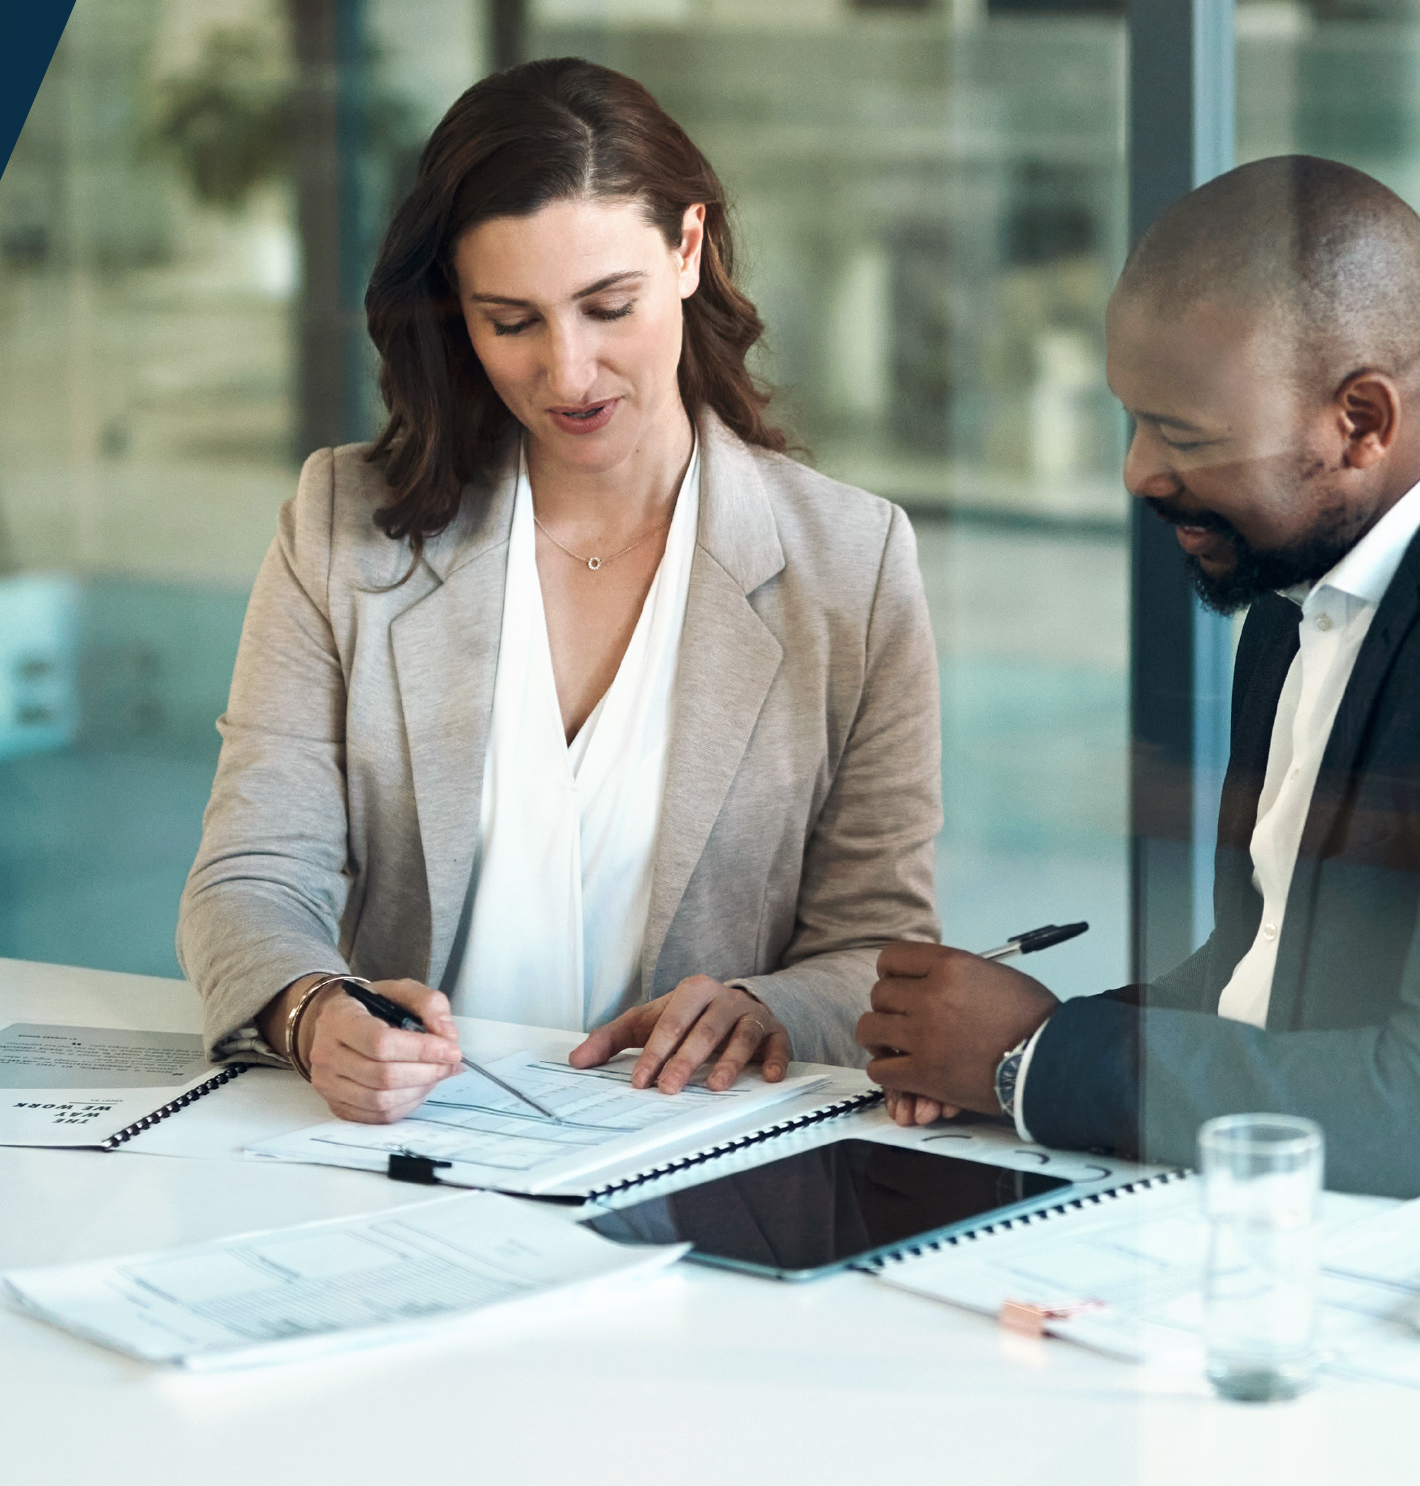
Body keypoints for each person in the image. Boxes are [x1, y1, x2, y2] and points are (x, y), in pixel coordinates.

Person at [861, 156, 1420, 1199]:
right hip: (1364, 1215)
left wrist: (1035, 1062)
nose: (1138, 473)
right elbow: (1268, 966)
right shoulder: (1311, 565)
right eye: (1134, 419)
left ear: (1362, 422)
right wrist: (1011, 1044)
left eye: (1186, 435)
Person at [177, 58, 942, 1124]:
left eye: (607, 306)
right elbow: (250, 878)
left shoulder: (851, 563)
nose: (569, 373)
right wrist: (310, 1010)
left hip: (699, 1160)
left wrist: (769, 1010)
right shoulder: (341, 526)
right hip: (405, 1152)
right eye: (512, 321)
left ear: (687, 248)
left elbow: (879, 947)